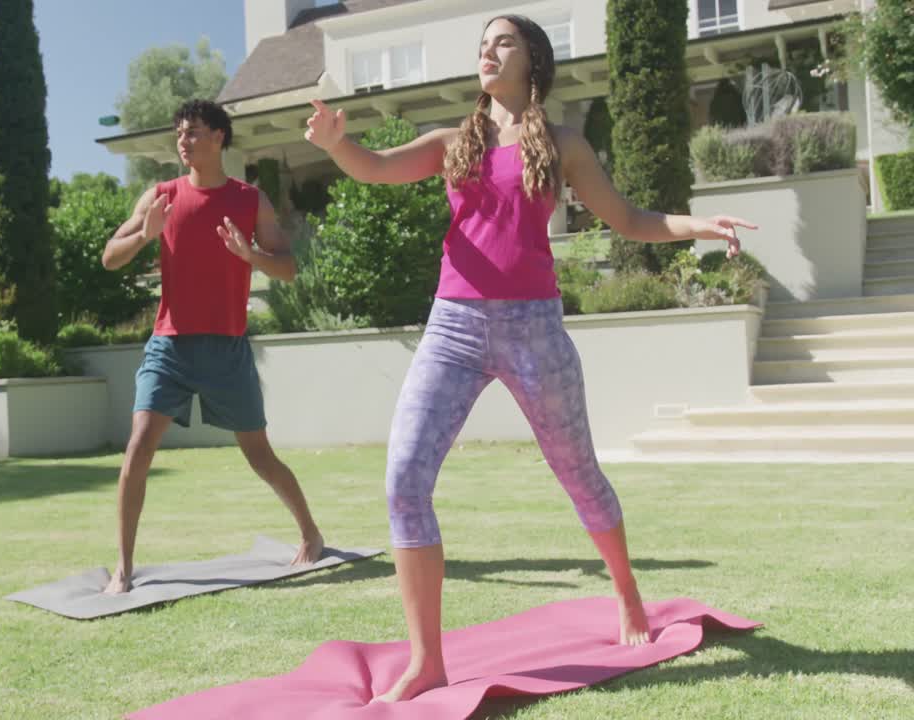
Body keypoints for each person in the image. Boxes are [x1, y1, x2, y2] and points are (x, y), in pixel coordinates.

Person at [303, 15, 755, 702]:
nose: (487, 50)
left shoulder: (563, 144)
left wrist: (699, 224)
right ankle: (428, 660)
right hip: (451, 326)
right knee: (403, 479)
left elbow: (629, 219)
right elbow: (376, 167)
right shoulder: (453, 142)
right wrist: (339, 146)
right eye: (482, 43)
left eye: (502, 41)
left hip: (533, 329)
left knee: (578, 473)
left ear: (533, 60)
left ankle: (629, 596)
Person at [100, 99, 325, 595]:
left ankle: (311, 533)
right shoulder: (159, 195)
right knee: (137, 449)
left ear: (220, 137)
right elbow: (109, 259)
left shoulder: (250, 200)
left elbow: (288, 267)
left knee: (260, 456)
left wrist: (252, 254)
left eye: (195, 132)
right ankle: (123, 567)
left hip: (227, 350)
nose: (184, 141)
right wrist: (145, 232)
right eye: (180, 133)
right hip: (170, 347)